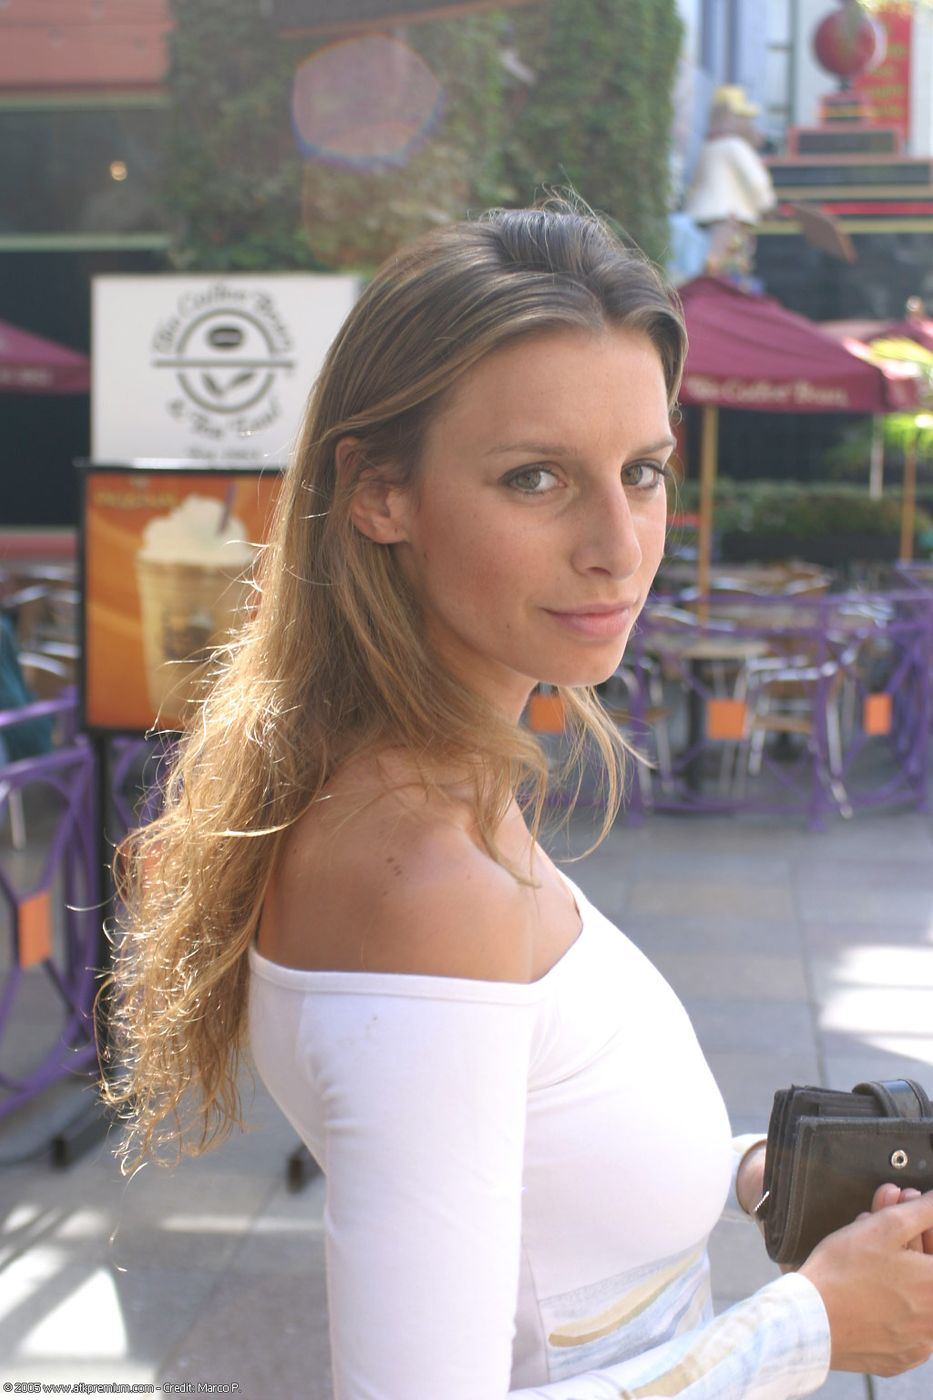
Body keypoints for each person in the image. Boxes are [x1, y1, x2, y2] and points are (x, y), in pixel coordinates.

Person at [103, 200, 933, 1398]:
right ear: (380, 493)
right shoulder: (426, 880)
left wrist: (768, 1174)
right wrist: (813, 1324)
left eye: (642, 471)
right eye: (536, 477)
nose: (619, 544)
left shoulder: (415, 782)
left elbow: (534, 1153)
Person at [683, 84, 776, 285]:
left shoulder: (708, 147)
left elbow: (695, 183)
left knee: (714, 260)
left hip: (704, 216)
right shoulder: (736, 146)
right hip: (731, 216)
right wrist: (767, 205)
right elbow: (757, 182)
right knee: (729, 264)